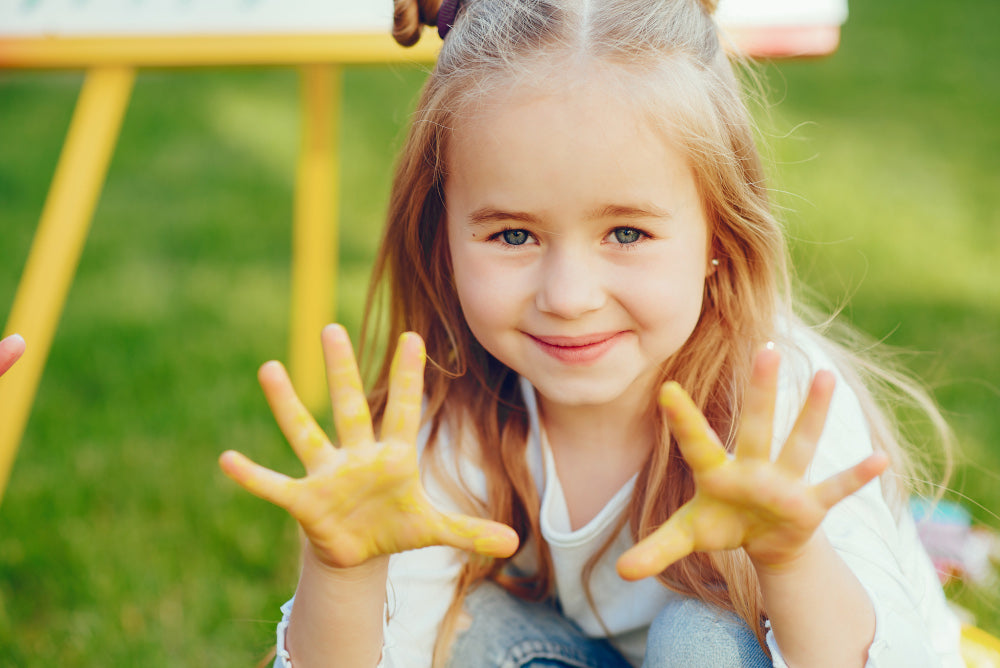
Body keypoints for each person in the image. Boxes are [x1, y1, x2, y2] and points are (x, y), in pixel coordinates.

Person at [219, 0, 963, 665]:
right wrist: (343, 574)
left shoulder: (779, 407)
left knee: (700, 640)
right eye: (513, 236)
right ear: (439, 236)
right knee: (473, 631)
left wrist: (791, 557)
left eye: (628, 233)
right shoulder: (455, 415)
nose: (569, 298)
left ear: (719, 239)